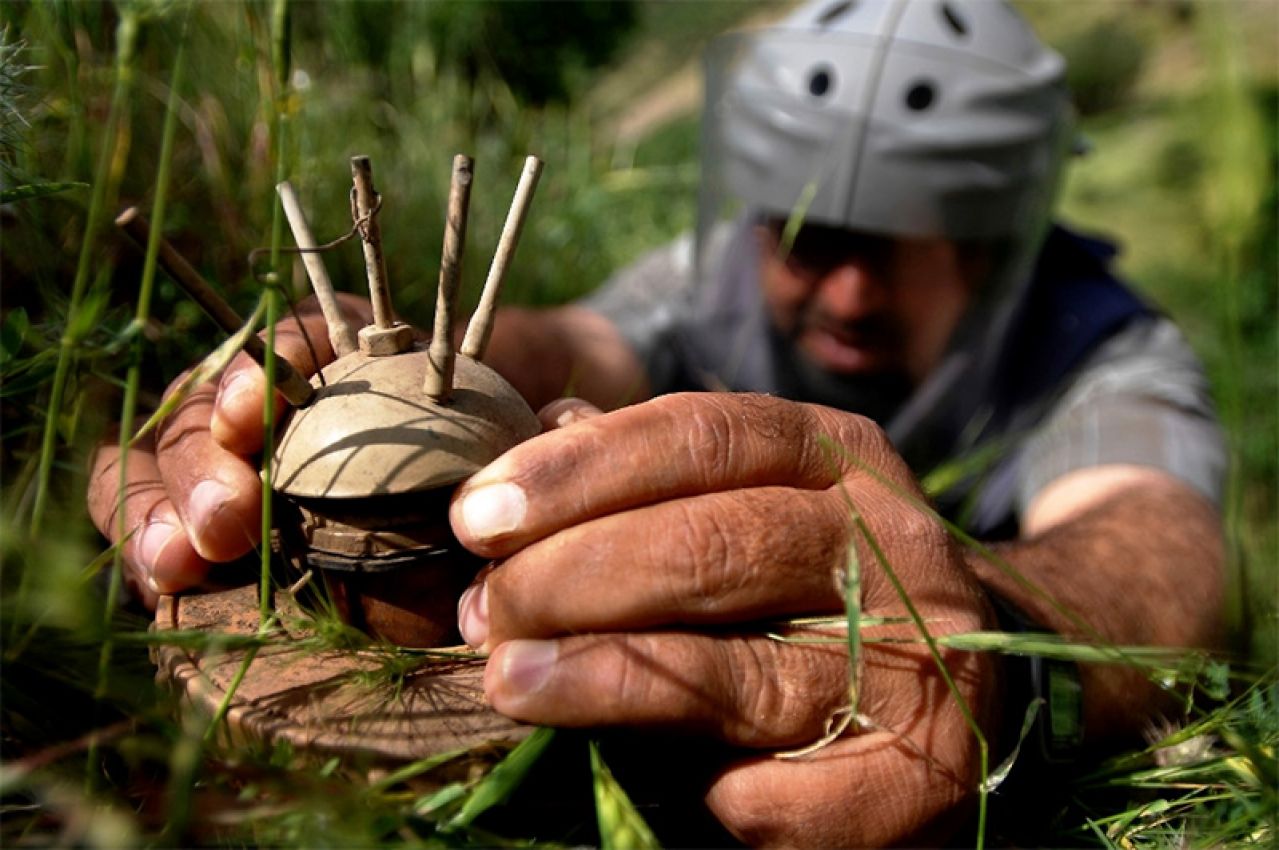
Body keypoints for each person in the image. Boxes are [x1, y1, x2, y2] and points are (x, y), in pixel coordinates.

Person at [88, 0, 1226, 845]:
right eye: (809, 234)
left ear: (992, 242)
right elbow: (569, 345)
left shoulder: (1102, 344)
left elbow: (1166, 563)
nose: (843, 294)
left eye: (902, 245)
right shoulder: (713, 275)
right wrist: (359, 374)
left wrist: (986, 639)